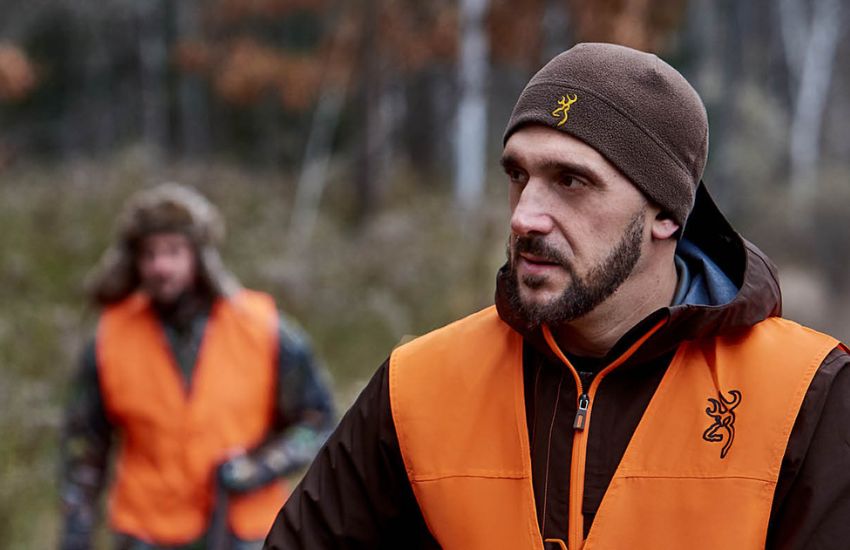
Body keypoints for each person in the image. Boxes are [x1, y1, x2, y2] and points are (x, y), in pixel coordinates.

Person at [264, 43, 850, 549]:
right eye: (518, 175)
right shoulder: (417, 388)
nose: (525, 217)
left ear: (666, 214)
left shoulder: (806, 394)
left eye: (571, 181)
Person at [59, 183, 335, 550]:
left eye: (174, 251)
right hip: (147, 533)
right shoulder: (110, 338)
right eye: (149, 254)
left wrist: (257, 468)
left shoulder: (264, 330)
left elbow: (317, 421)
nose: (160, 266)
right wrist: (76, 534)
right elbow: (85, 448)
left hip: (246, 533)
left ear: (200, 256)